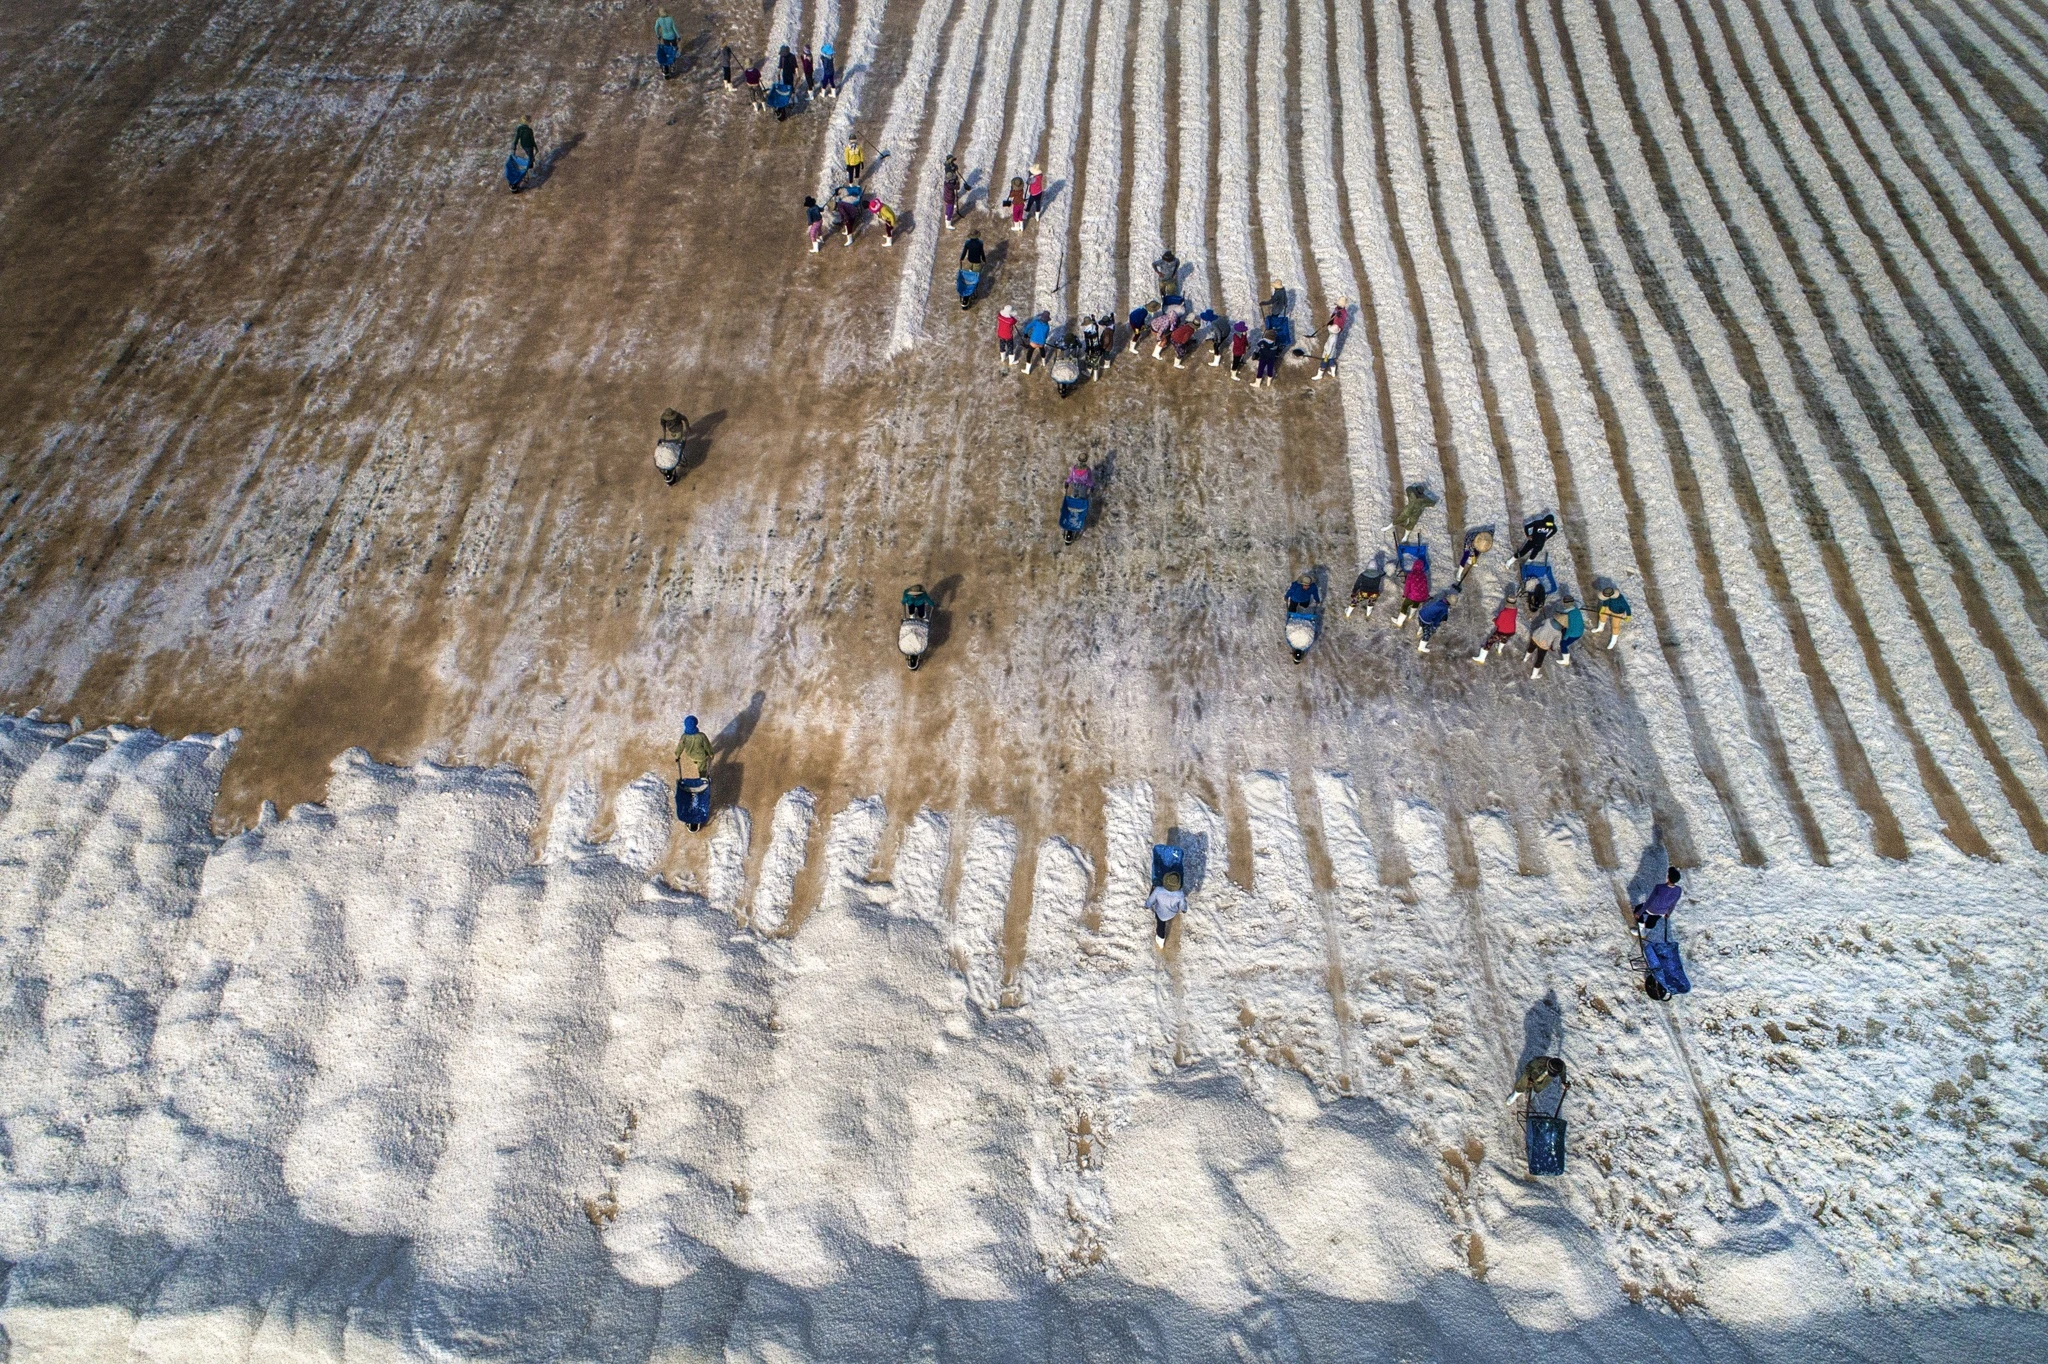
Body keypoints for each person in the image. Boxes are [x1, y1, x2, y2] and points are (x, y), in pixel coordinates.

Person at [1634, 867, 1683, 944]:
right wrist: (1668, 913)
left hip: (1651, 908)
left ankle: (1640, 931)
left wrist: (1639, 913)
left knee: (1638, 908)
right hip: (1663, 911)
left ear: (1668, 877)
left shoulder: (1659, 887)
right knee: (1653, 919)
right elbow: (1673, 903)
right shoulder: (1678, 890)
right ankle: (1645, 932)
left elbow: (1649, 901)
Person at [1416, 583, 1460, 653]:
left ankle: (1419, 632)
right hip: (1426, 619)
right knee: (1428, 634)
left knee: (1422, 624)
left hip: (1421, 613)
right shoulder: (1444, 609)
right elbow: (1437, 619)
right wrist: (1434, 626)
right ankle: (1421, 647)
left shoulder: (1440, 600)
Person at [1474, 593, 1518, 663]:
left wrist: (1495, 620)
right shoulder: (1515, 610)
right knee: (1504, 639)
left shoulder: (1503, 612)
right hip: (1511, 631)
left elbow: (1498, 623)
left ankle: (1481, 658)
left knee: (1490, 642)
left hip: (1502, 631)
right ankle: (1499, 650)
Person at [1391, 552, 1430, 627]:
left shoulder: (1411, 575)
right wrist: (1425, 596)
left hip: (1412, 596)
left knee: (1405, 605)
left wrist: (1405, 595)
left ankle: (1399, 622)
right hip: (1421, 596)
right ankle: (1411, 616)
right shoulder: (1423, 575)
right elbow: (1425, 586)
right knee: (1416, 603)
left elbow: (1407, 587)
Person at [1148, 870, 1186, 944]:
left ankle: (1161, 940)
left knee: (1160, 925)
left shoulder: (1158, 890)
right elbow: (1183, 906)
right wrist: (1184, 910)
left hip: (1160, 913)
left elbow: (1150, 901)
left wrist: (1147, 905)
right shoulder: (1180, 894)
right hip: (1172, 913)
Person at [1593, 580, 1632, 648]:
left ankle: (1613, 641)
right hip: (1609, 608)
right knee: (1602, 615)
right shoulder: (1609, 596)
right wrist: (1603, 607)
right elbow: (1606, 601)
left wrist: (1628, 615)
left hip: (1618, 612)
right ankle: (1600, 628)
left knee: (1615, 626)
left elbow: (1627, 607)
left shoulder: (1621, 600)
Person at [1316, 299, 1348, 378]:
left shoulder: (1343, 313)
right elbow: (1334, 315)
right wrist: (1331, 322)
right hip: (1332, 351)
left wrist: (1326, 356)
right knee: (1331, 360)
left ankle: (1320, 375)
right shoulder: (1338, 309)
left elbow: (1330, 347)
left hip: (1328, 352)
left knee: (1324, 362)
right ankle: (1333, 373)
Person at [1349, 552, 1387, 616]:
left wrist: (1354, 591)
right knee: (1372, 601)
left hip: (1363, 593)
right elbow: (1379, 581)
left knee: (1355, 600)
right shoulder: (1378, 576)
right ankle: (1368, 613)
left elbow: (1357, 584)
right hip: (1374, 593)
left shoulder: (1362, 575)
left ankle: (1348, 612)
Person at [1527, 608, 1562, 677]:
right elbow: (1555, 646)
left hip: (1536, 637)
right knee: (1539, 659)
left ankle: (1525, 659)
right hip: (1544, 645)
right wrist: (1553, 648)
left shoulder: (1548, 620)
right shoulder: (1559, 633)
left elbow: (1542, 623)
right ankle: (1534, 675)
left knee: (1530, 649)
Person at [1556, 594, 1586, 666]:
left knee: (1563, 644)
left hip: (1574, 634)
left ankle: (1566, 660)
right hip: (1580, 630)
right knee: (1563, 632)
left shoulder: (1569, 614)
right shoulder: (1576, 610)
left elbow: (1570, 629)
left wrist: (1565, 638)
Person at [655, 11, 681, 78]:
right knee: (674, 49)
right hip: (672, 36)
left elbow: (656, 28)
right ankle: (673, 61)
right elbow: (674, 28)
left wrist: (658, 35)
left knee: (667, 49)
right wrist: (678, 36)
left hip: (665, 37)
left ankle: (668, 65)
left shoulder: (659, 20)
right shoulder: (670, 19)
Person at [942, 155, 961, 228]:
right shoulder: (950, 185)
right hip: (950, 198)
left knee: (948, 208)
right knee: (950, 210)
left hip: (947, 197)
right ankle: (948, 224)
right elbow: (957, 188)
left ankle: (946, 217)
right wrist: (957, 183)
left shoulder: (946, 183)